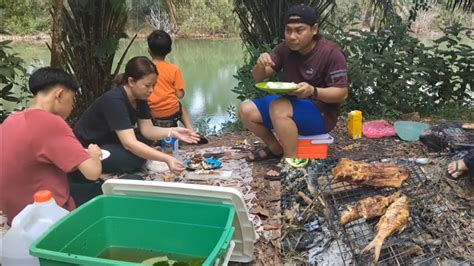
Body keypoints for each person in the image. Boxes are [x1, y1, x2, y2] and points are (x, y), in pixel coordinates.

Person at [70, 56, 199, 205]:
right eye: (147, 85)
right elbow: (129, 144)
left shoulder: (140, 98)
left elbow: (147, 130)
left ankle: (132, 158)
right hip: (89, 150)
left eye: (154, 85)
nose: (151, 90)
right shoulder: (114, 100)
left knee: (143, 141)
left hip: (110, 141)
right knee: (134, 157)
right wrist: (166, 158)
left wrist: (173, 132)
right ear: (131, 82)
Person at [239, 4, 349, 160]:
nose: (292, 36)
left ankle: (290, 160)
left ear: (314, 29)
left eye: (299, 30)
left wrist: (313, 91)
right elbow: (258, 77)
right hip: (291, 104)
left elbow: (342, 94)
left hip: (321, 114)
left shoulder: (331, 53)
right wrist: (260, 65)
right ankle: (275, 148)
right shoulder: (285, 48)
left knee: (278, 106)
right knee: (246, 109)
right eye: (288, 30)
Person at [0, 67, 102, 224]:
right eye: (72, 99)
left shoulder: (10, 120)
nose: (72, 106)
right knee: (107, 187)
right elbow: (92, 173)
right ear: (59, 94)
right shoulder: (51, 122)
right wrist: (94, 155)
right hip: (49, 214)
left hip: (16, 214)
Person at [147, 30, 208, 144]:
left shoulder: (145, 69)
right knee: (180, 106)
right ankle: (191, 133)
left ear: (149, 50)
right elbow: (179, 95)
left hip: (151, 113)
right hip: (171, 112)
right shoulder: (173, 69)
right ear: (169, 50)